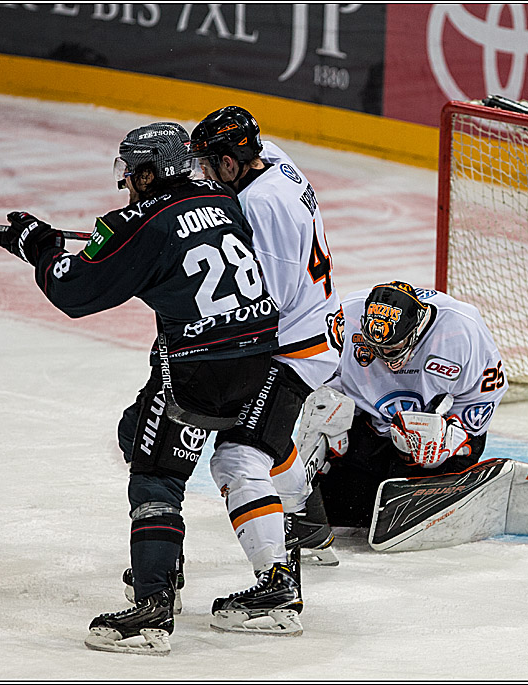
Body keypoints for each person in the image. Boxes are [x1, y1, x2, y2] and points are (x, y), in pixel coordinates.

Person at [0, 122, 284, 655]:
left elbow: (73, 292)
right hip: (263, 357)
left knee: (156, 477)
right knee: (139, 433)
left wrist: (39, 246)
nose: (127, 182)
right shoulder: (223, 198)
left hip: (198, 368)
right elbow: (175, 251)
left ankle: (153, 609)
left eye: (132, 171)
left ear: (150, 171)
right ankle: (258, 583)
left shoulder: (135, 220)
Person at [185, 105, 343, 633]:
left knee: (238, 455)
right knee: (267, 436)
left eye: (210, 163)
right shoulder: (271, 158)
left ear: (233, 162)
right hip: (317, 327)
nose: (206, 171)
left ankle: (276, 592)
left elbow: (263, 304)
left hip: (293, 344)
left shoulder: (265, 206)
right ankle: (311, 528)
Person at [301, 280, 509, 529]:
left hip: (428, 437)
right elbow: (321, 376)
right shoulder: (345, 319)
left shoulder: (461, 328)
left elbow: (483, 395)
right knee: (344, 511)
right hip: (368, 431)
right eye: (374, 347)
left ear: (416, 329)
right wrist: (336, 422)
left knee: (434, 457)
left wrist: (452, 437)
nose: (383, 356)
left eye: (391, 348)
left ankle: (441, 483)